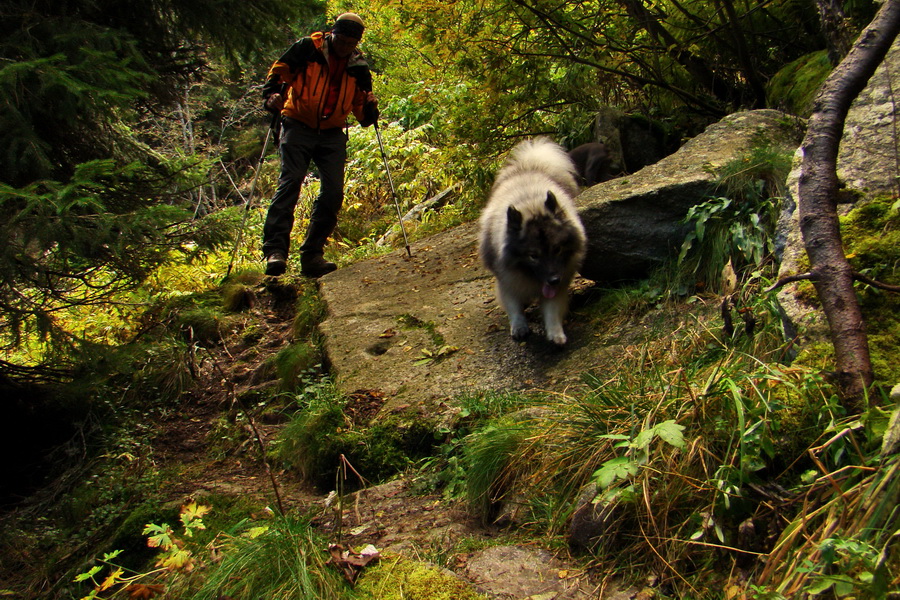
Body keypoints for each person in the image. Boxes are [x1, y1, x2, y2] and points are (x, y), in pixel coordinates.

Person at [260, 12, 379, 277]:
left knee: (334, 192)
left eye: (351, 43)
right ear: (332, 34)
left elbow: (361, 111)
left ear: (356, 42)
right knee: (291, 182)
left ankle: (312, 255)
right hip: (297, 122)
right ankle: (275, 252)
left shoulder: (358, 66)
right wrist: (271, 97)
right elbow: (278, 74)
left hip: (333, 132)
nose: (345, 46)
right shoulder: (307, 49)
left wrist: (370, 110)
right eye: (341, 40)